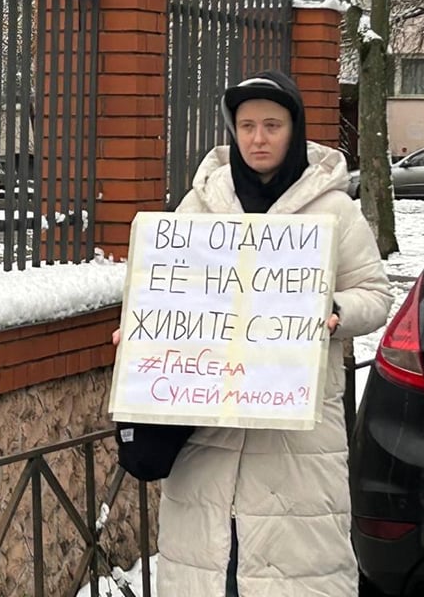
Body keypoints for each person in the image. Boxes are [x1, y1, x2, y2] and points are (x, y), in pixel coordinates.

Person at [112, 70, 392, 596]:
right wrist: (139, 340)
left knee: (292, 574)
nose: (258, 139)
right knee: (211, 569)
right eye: (246, 126)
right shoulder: (199, 207)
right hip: (206, 438)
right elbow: (165, 294)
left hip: (297, 443)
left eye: (272, 125)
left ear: (295, 129)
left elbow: (376, 294)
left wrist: (334, 310)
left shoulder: (333, 209)